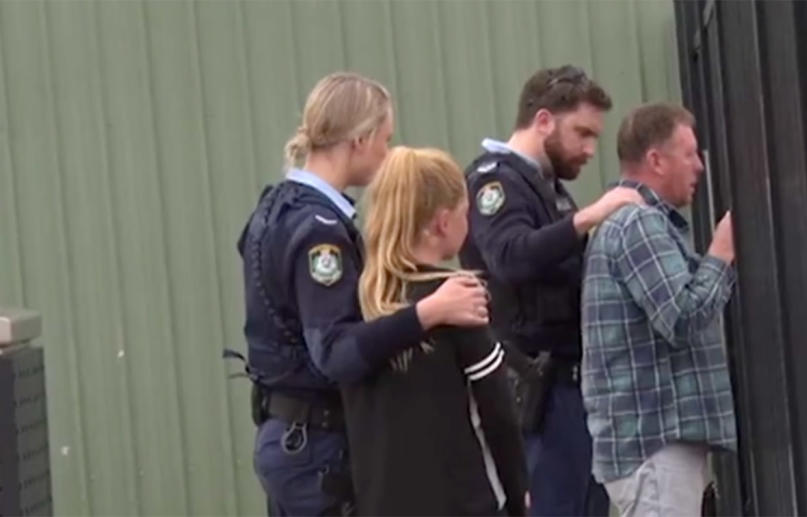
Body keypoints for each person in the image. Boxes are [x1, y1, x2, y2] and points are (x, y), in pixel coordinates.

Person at [233, 73, 490, 516]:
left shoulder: (274, 208)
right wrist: (428, 312)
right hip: (318, 447)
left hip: (288, 436)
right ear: (360, 139)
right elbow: (335, 352)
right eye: (384, 140)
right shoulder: (319, 234)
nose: (386, 154)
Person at [458, 65, 643, 517]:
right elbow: (510, 255)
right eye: (581, 133)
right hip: (536, 390)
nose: (588, 149)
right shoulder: (494, 180)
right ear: (543, 121)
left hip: (572, 389)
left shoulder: (546, 187)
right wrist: (587, 218)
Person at [342, 146, 528, 516]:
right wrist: (518, 489)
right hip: (461, 501)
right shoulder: (458, 297)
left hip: (381, 503)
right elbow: (497, 412)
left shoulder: (358, 299)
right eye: (464, 213)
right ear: (443, 222)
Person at [580, 103, 738, 517]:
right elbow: (682, 318)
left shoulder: (631, 223)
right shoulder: (637, 224)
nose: (699, 166)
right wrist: (721, 255)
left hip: (651, 447)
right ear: (655, 160)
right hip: (655, 447)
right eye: (689, 153)